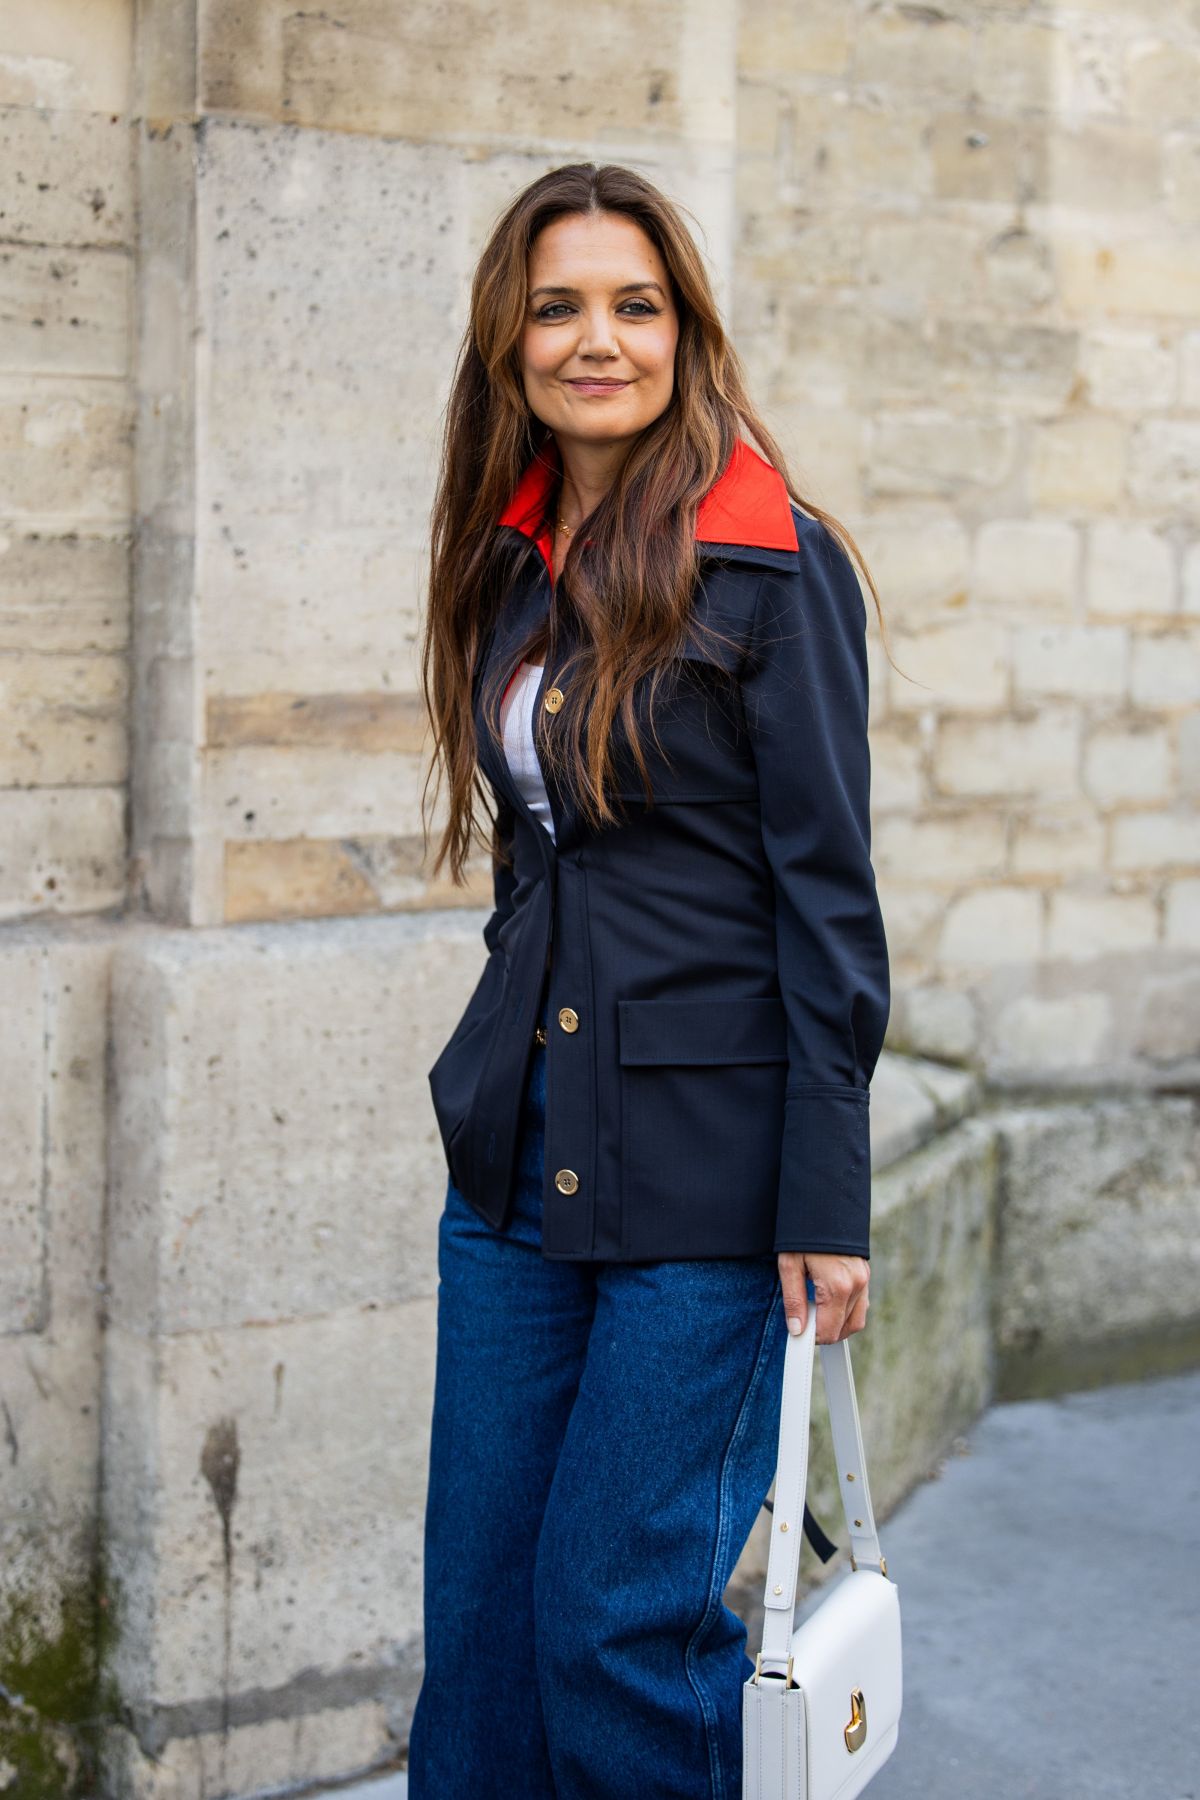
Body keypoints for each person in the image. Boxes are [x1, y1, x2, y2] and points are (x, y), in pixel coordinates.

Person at [409, 161, 893, 1800]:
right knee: (476, 1622)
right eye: (559, 307)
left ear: (684, 330)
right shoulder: (514, 555)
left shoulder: (771, 563)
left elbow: (829, 905)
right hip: (514, 1167)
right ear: (511, 340)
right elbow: (543, 857)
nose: (596, 339)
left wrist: (828, 1195)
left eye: (636, 305)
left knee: (614, 1631)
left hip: (706, 1187)